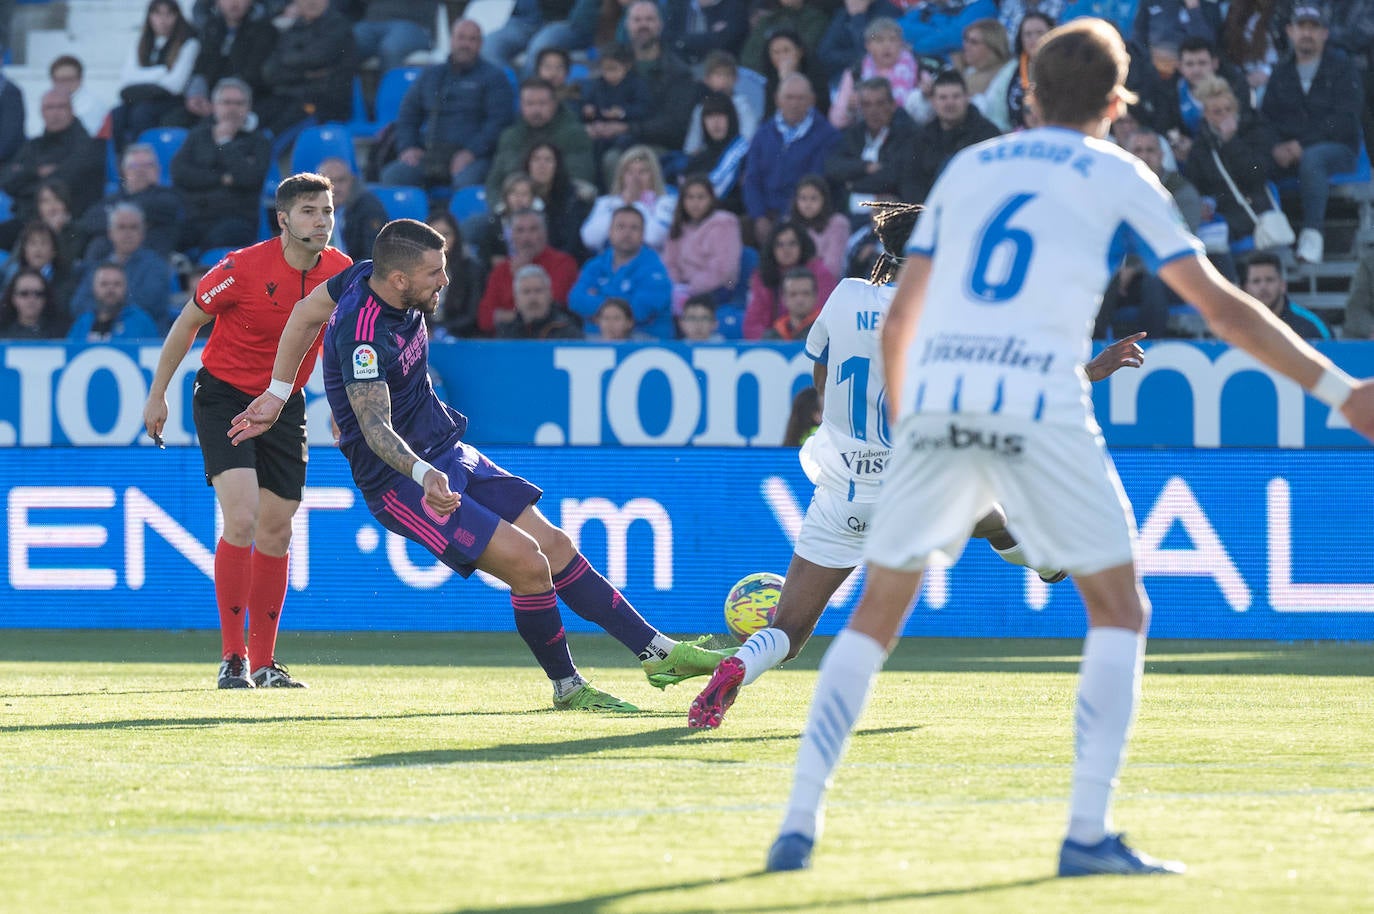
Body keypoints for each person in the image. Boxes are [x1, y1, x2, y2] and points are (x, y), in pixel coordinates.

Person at [761, 18, 1374, 877]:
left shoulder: (970, 167)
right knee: (1119, 610)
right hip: (1043, 401)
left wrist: (918, 427)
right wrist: (1343, 395)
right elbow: (1222, 307)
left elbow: (901, 317)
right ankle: (1087, 831)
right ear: (1119, 104)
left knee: (874, 614)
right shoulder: (1120, 173)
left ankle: (797, 823)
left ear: (1027, 88)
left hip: (943, 403)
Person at [224, 219, 735, 711]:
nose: (446, 281)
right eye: (434, 273)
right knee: (531, 566)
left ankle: (658, 654)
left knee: (556, 545)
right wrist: (421, 473)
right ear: (400, 279)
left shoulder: (363, 272)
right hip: (402, 483)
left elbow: (305, 313)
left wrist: (277, 390)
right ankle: (568, 687)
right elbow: (377, 429)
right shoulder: (364, 334)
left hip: (448, 450)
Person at [691, 202, 1145, 731]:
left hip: (845, 490)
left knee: (789, 631)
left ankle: (737, 667)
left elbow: (820, 378)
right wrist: (1090, 370)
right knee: (992, 502)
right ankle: (1049, 559)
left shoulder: (843, 296)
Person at [142, 173, 352, 690]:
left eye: (326, 211)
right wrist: (157, 393)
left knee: (276, 531)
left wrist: (342, 404)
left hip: (284, 403)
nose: (321, 221)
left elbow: (336, 339)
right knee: (242, 517)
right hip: (225, 397)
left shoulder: (342, 271)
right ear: (282, 219)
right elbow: (188, 322)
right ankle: (232, 658)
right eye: (308, 211)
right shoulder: (241, 268)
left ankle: (265, 663)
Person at [1260, 5, 1365, 263]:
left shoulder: (1343, 68)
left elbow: (1344, 120)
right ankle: (1268, 234)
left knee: (1313, 158)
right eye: (1301, 27)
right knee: (1253, 160)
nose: (1307, 33)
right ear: (1289, 31)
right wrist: (1276, 147)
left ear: (1325, 34)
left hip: (1337, 150)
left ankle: (1312, 237)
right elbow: (1266, 120)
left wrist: (1301, 145)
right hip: (1290, 152)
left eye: (1313, 27)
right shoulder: (1280, 73)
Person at [380, 18, 514, 192]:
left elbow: (498, 124)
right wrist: (408, 147)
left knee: (466, 182)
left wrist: (471, 153)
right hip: (430, 154)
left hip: (473, 156)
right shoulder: (431, 75)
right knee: (394, 175)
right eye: (461, 37)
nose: (465, 44)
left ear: (480, 44)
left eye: (472, 39)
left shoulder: (494, 78)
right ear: (451, 41)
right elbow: (408, 115)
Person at [169, 77, 272, 251]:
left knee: (222, 239)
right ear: (215, 106)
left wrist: (225, 143)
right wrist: (222, 178)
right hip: (195, 216)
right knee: (165, 237)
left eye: (239, 103)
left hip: (236, 219)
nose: (232, 108)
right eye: (226, 102)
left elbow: (249, 178)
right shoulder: (198, 135)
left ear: (248, 107)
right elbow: (179, 172)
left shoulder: (259, 140)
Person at [569, 205, 673, 338]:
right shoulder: (595, 264)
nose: (627, 233)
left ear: (643, 234)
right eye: (620, 227)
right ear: (610, 232)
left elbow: (639, 311)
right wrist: (622, 300)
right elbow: (575, 300)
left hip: (645, 343)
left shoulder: (655, 268)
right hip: (596, 341)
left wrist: (599, 300)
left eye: (634, 228)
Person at [110, 0, 200, 152]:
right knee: (116, 115)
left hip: (170, 101)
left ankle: (144, 160)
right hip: (141, 98)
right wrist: (161, 72)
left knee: (142, 114)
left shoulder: (188, 43)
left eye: (169, 14)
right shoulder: (142, 42)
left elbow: (175, 85)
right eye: (157, 14)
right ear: (149, 16)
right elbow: (127, 78)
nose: (163, 20)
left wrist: (142, 77)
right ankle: (121, 162)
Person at [79, 143, 184, 257]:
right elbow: (89, 221)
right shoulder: (112, 198)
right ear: (124, 171)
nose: (140, 171)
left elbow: (154, 208)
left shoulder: (168, 197)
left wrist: (113, 219)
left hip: (149, 260)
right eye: (134, 166)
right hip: (108, 260)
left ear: (157, 170)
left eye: (147, 165)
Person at [743, 222, 837, 340]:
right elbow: (752, 325)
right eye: (779, 245)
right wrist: (772, 342)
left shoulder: (820, 273)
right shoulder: (763, 277)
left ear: (802, 245)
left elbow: (827, 316)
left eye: (792, 244)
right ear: (772, 249)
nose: (786, 249)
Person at [662, 175, 741, 312]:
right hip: (682, 288)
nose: (695, 203)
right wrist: (676, 285)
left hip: (719, 287)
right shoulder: (678, 225)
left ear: (711, 199)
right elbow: (670, 262)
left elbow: (724, 270)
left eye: (701, 197)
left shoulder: (724, 223)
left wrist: (692, 289)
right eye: (690, 198)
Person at [1239, 250, 1332, 339]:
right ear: (1246, 288)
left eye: (1269, 280)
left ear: (1283, 285)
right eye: (1256, 281)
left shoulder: (1311, 324)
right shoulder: (1234, 325)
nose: (1263, 287)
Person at [495, 264, 585, 340]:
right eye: (526, 292)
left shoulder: (567, 330)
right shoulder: (506, 332)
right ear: (516, 298)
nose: (533, 297)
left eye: (538, 290)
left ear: (550, 295)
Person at [0, 269, 68, 339]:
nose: (31, 299)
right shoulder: (2, 334)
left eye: (38, 294)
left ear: (46, 298)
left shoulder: (63, 334)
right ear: (13, 298)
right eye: (24, 293)